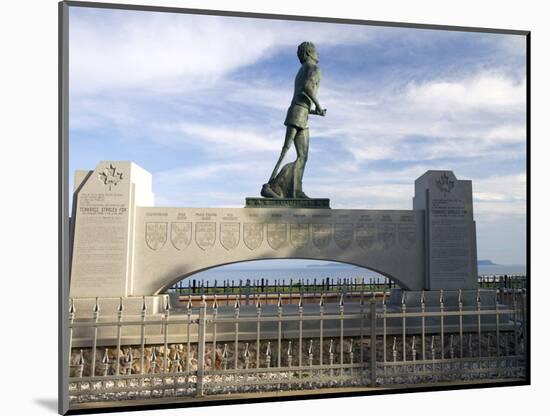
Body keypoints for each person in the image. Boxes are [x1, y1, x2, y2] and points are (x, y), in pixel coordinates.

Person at [267, 41, 326, 198]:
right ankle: (272, 185)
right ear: (308, 54)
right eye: (315, 51)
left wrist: (315, 112)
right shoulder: (313, 68)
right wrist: (319, 106)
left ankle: (293, 189)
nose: (317, 54)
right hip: (299, 114)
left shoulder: (302, 70)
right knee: (289, 152)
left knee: (299, 155)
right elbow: (307, 87)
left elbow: (301, 100)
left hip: (299, 112)